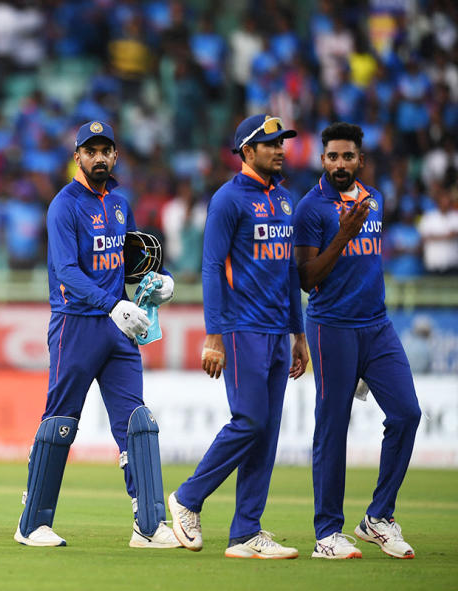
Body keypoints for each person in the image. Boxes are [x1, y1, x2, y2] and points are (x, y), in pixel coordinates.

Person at [13, 121, 181, 549]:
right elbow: (66, 272)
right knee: (61, 422)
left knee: (137, 422)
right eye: (92, 151)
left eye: (106, 150)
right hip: (76, 323)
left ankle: (148, 524)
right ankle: (32, 523)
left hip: (119, 326)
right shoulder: (64, 205)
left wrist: (155, 282)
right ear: (78, 157)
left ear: (115, 156)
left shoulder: (120, 203)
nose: (100, 157)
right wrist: (111, 304)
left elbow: (125, 261)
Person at [168, 114, 308, 559]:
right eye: (271, 144)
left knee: (264, 431)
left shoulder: (286, 200)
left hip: (277, 331)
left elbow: (289, 271)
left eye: (282, 142)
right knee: (248, 420)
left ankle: (246, 533)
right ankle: (188, 499)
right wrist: (214, 335)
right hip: (243, 326)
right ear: (247, 152)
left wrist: (298, 333)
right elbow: (211, 267)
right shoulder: (228, 200)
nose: (280, 149)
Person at [294, 122, 420, 559]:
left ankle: (378, 518)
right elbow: (307, 279)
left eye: (348, 156)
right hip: (331, 327)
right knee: (332, 428)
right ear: (322, 160)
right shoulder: (311, 209)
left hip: (377, 326)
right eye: (333, 156)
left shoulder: (374, 200)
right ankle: (327, 533)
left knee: (407, 413)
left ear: (360, 160)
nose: (340, 164)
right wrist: (343, 235)